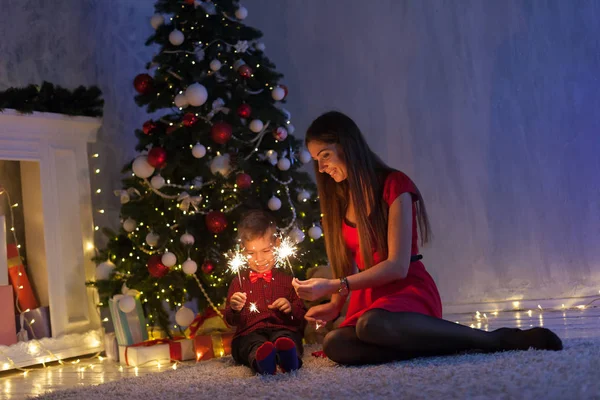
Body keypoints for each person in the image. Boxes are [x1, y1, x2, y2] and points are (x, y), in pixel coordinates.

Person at [292, 110, 563, 365]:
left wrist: (332, 286)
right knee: (335, 344)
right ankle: (423, 345)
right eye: (317, 161)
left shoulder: (394, 185)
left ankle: (493, 339)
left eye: (325, 155)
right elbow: (347, 262)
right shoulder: (339, 200)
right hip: (368, 298)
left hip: (407, 290)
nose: (322, 167)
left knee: (371, 325)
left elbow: (397, 267)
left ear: (347, 145)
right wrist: (334, 305)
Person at [225, 209, 306, 374]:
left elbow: (300, 316)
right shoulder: (238, 283)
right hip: (249, 333)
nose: (259, 259)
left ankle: (289, 358)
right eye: (251, 253)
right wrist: (234, 308)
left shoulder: (287, 280)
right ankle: (262, 361)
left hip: (282, 328)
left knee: (287, 338)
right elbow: (230, 320)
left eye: (266, 251)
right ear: (242, 250)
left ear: (276, 245)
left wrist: (290, 307)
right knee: (251, 344)